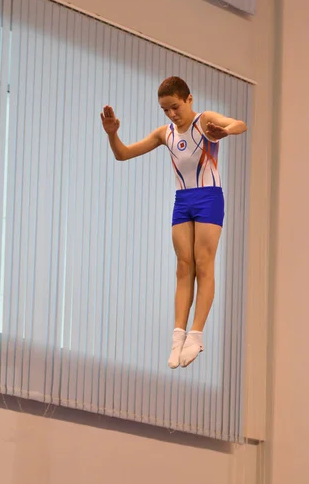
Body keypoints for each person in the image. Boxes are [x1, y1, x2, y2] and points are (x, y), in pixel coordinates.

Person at [100, 76, 247, 369]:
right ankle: (177, 337)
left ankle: (196, 335)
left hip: (209, 197)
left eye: (175, 107)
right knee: (183, 267)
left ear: (189, 99)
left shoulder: (204, 121)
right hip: (183, 201)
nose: (171, 114)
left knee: (203, 263)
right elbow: (122, 154)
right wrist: (111, 134)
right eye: (165, 110)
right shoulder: (164, 133)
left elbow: (240, 123)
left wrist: (225, 130)